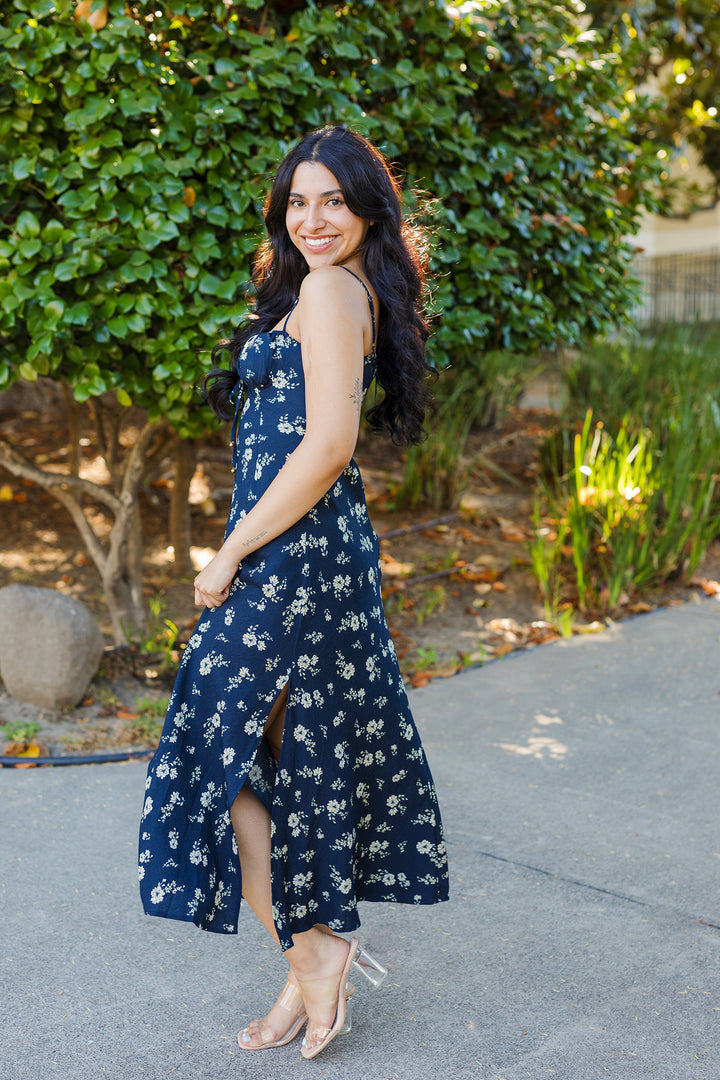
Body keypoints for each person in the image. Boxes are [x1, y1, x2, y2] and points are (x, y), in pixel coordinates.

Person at [138, 125, 449, 1060]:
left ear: (367, 211)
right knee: (266, 754)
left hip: (297, 563)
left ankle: (315, 954)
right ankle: (312, 956)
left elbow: (327, 449)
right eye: (298, 202)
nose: (312, 220)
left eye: (334, 202)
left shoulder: (329, 290)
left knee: (217, 746)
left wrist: (229, 550)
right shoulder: (326, 291)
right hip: (304, 554)